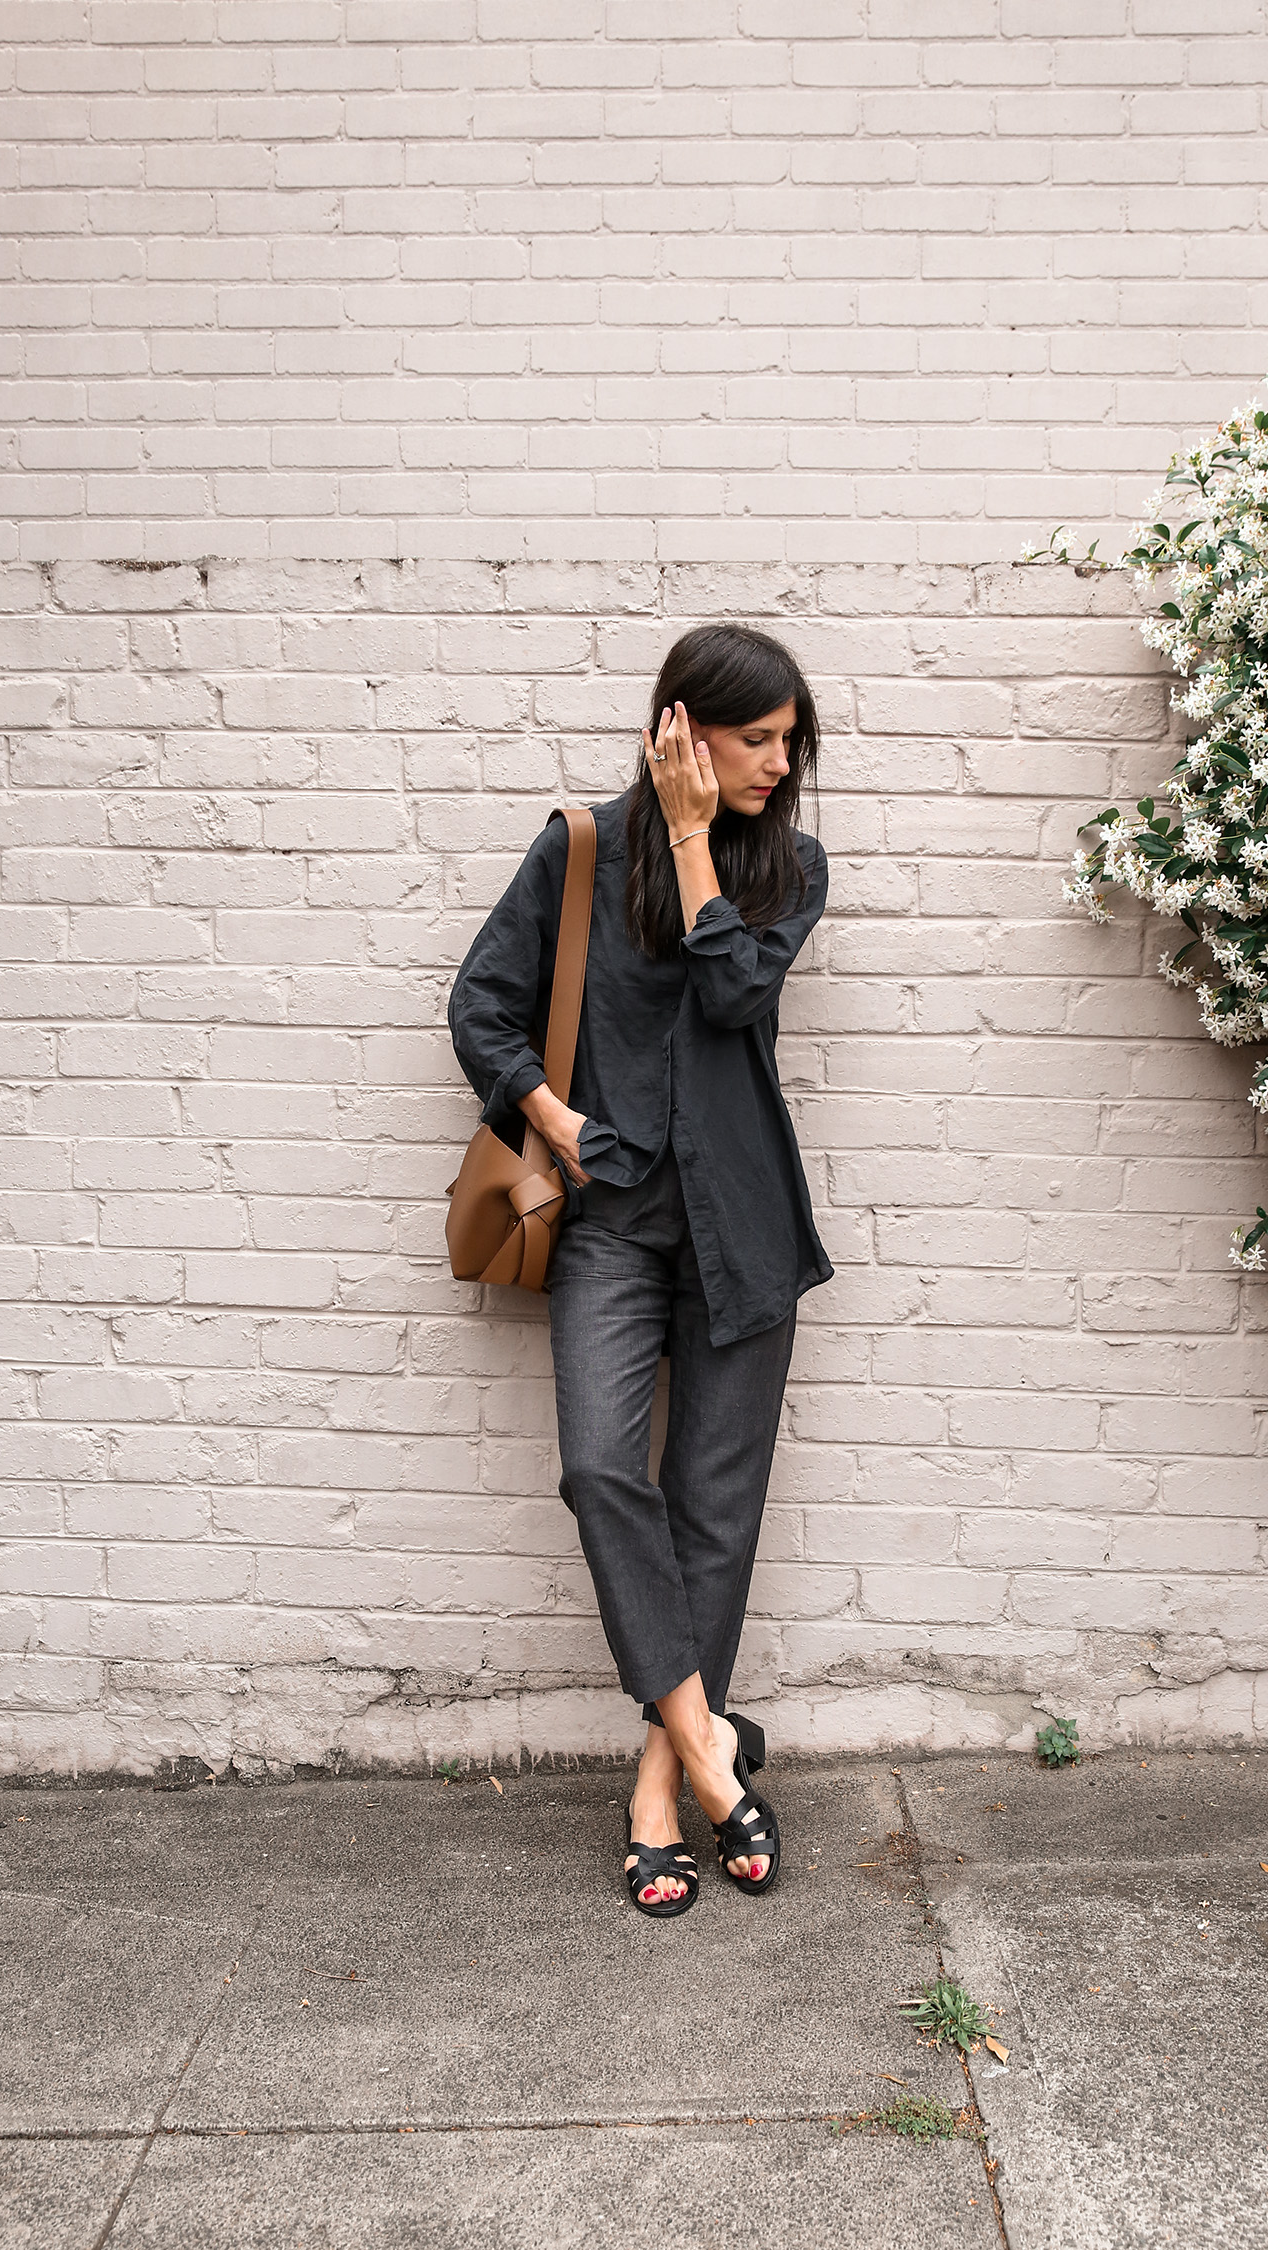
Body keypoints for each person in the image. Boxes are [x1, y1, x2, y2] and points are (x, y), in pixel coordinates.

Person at [448, 622, 832, 1918]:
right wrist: (549, 1118)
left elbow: (731, 997)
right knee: (604, 1467)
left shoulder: (789, 868)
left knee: (715, 1510)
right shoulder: (579, 851)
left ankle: (663, 1792)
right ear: (682, 725)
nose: (781, 762)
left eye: (792, 740)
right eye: (757, 737)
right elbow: (480, 1005)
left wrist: (691, 840)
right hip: (608, 1220)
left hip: (745, 1229)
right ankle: (724, 1756)